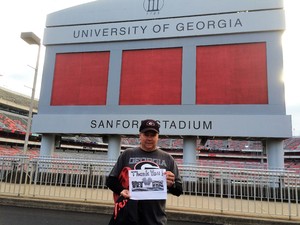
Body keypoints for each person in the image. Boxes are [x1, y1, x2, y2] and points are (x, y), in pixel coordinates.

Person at [106, 119, 183, 225]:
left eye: (153, 135)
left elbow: (179, 190)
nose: (149, 138)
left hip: (155, 218)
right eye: (146, 134)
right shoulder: (127, 154)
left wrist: (171, 184)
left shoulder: (167, 158)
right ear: (140, 135)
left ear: (158, 136)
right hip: (128, 216)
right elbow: (110, 180)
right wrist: (121, 190)